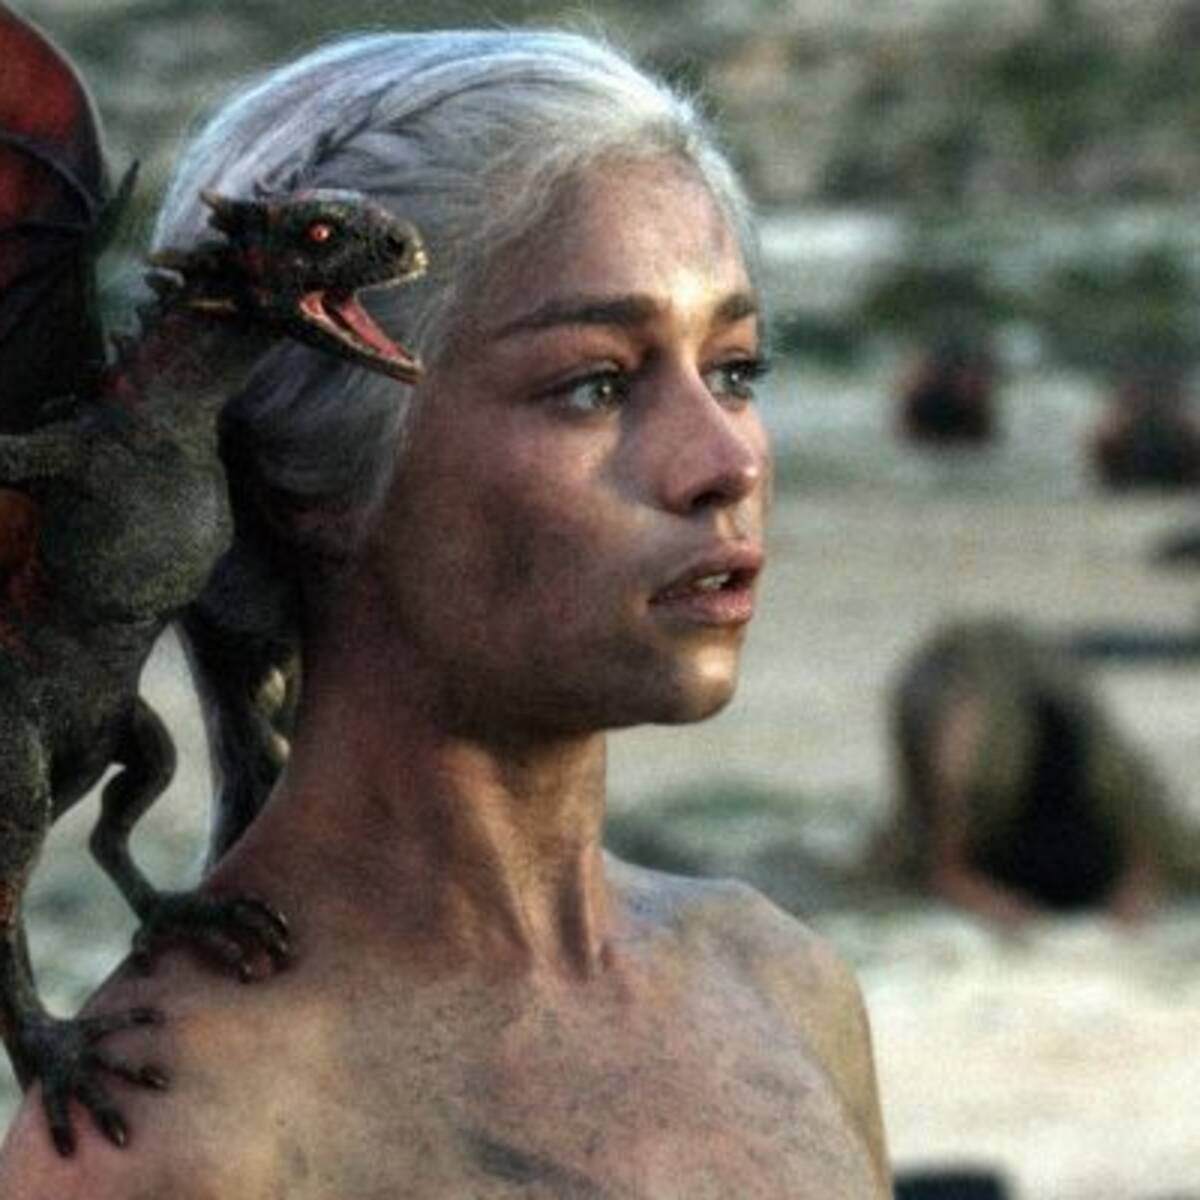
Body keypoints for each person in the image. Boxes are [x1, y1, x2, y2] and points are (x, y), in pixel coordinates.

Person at [0, 25, 891, 1197]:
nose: (727, 461)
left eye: (735, 369)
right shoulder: (175, 1130)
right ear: (314, 483)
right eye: (596, 385)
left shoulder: (786, 992)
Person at [879, 618, 1171, 925]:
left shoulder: (1076, 752)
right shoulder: (986, 770)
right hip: (1021, 877)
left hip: (1078, 879)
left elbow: (1135, 832)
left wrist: (1130, 899)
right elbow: (946, 862)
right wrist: (994, 904)